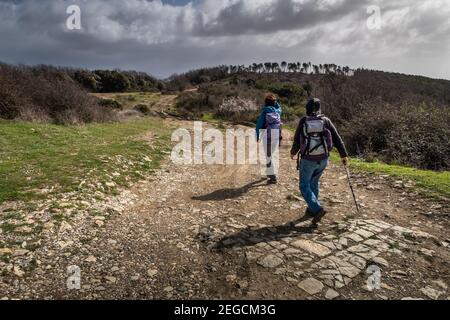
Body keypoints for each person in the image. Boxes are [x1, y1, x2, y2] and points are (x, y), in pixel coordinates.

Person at [290, 98, 348, 226]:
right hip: (323, 159)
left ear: (307, 108)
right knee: (313, 183)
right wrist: (343, 155)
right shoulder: (326, 120)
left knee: (304, 185)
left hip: (308, 160)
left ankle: (317, 209)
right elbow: (337, 138)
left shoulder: (304, 121)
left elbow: (297, 138)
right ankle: (311, 209)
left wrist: (293, 151)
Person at [256, 93, 283, 184]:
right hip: (276, 136)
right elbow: (280, 108)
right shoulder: (277, 111)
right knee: (271, 155)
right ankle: (269, 172)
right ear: (274, 103)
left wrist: (257, 136)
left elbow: (259, 125)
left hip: (267, 137)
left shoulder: (265, 111)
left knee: (267, 156)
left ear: (266, 103)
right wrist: (276, 103)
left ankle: (272, 177)